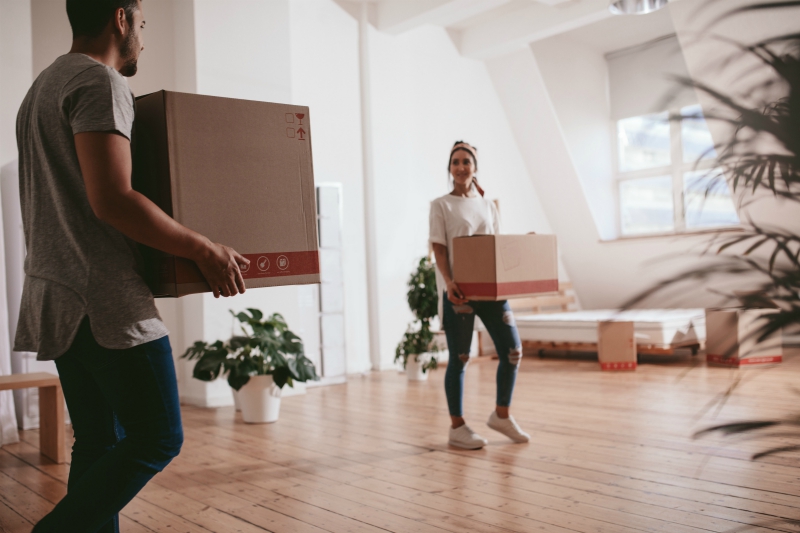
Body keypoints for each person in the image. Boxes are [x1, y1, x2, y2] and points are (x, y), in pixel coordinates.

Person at [15, 1, 249, 531]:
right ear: (121, 18)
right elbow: (113, 199)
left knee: (100, 441)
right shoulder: (100, 83)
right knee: (159, 436)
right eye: (142, 24)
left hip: (54, 294)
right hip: (101, 297)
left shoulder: (39, 91)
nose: (144, 37)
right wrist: (204, 249)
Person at [429, 141, 529, 450]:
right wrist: (448, 282)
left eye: (466, 162)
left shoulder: (488, 205)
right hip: (458, 291)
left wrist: (526, 244)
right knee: (460, 357)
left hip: (490, 290)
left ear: (475, 168)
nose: (461, 167)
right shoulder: (440, 205)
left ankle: (501, 415)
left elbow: (497, 247)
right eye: (455, 162)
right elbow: (439, 247)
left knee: (512, 351)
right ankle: (457, 427)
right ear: (450, 168)